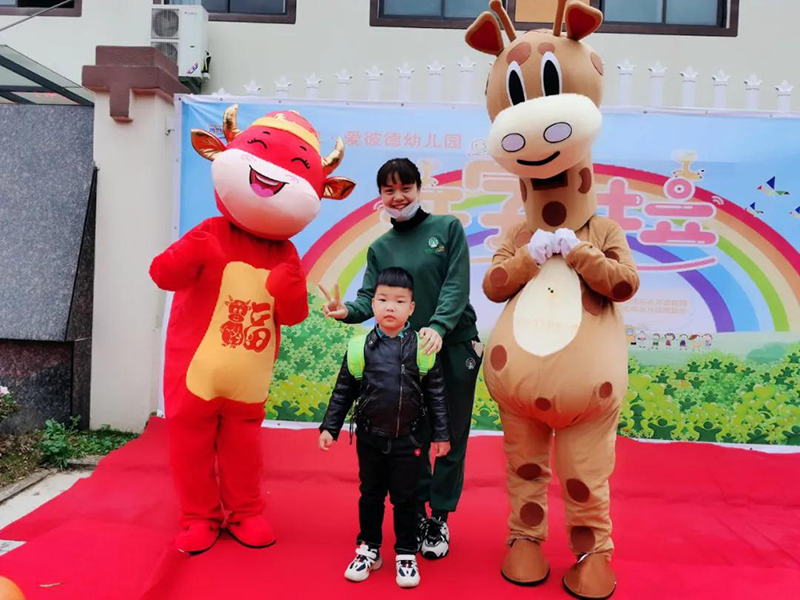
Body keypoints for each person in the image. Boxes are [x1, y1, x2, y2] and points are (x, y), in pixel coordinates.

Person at [320, 158, 482, 560]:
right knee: (414, 436)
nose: (398, 197)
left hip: (453, 344)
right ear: (380, 196)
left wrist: (439, 327)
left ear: (418, 188)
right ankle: (420, 514)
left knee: (449, 434)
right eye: (389, 190)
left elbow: (456, 285)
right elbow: (370, 298)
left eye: (405, 188)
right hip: (408, 354)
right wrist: (347, 311)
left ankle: (440, 517)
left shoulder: (447, 229)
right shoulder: (380, 248)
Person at [319, 267, 451, 589]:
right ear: (373, 304)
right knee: (370, 495)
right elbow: (343, 390)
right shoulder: (359, 347)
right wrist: (330, 427)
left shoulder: (423, 348)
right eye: (382, 299)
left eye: (399, 301)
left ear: (412, 308)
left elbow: (436, 395)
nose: (390, 307)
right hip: (370, 439)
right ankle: (369, 549)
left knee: (406, 499)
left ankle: (405, 553)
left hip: (409, 440)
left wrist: (441, 435)